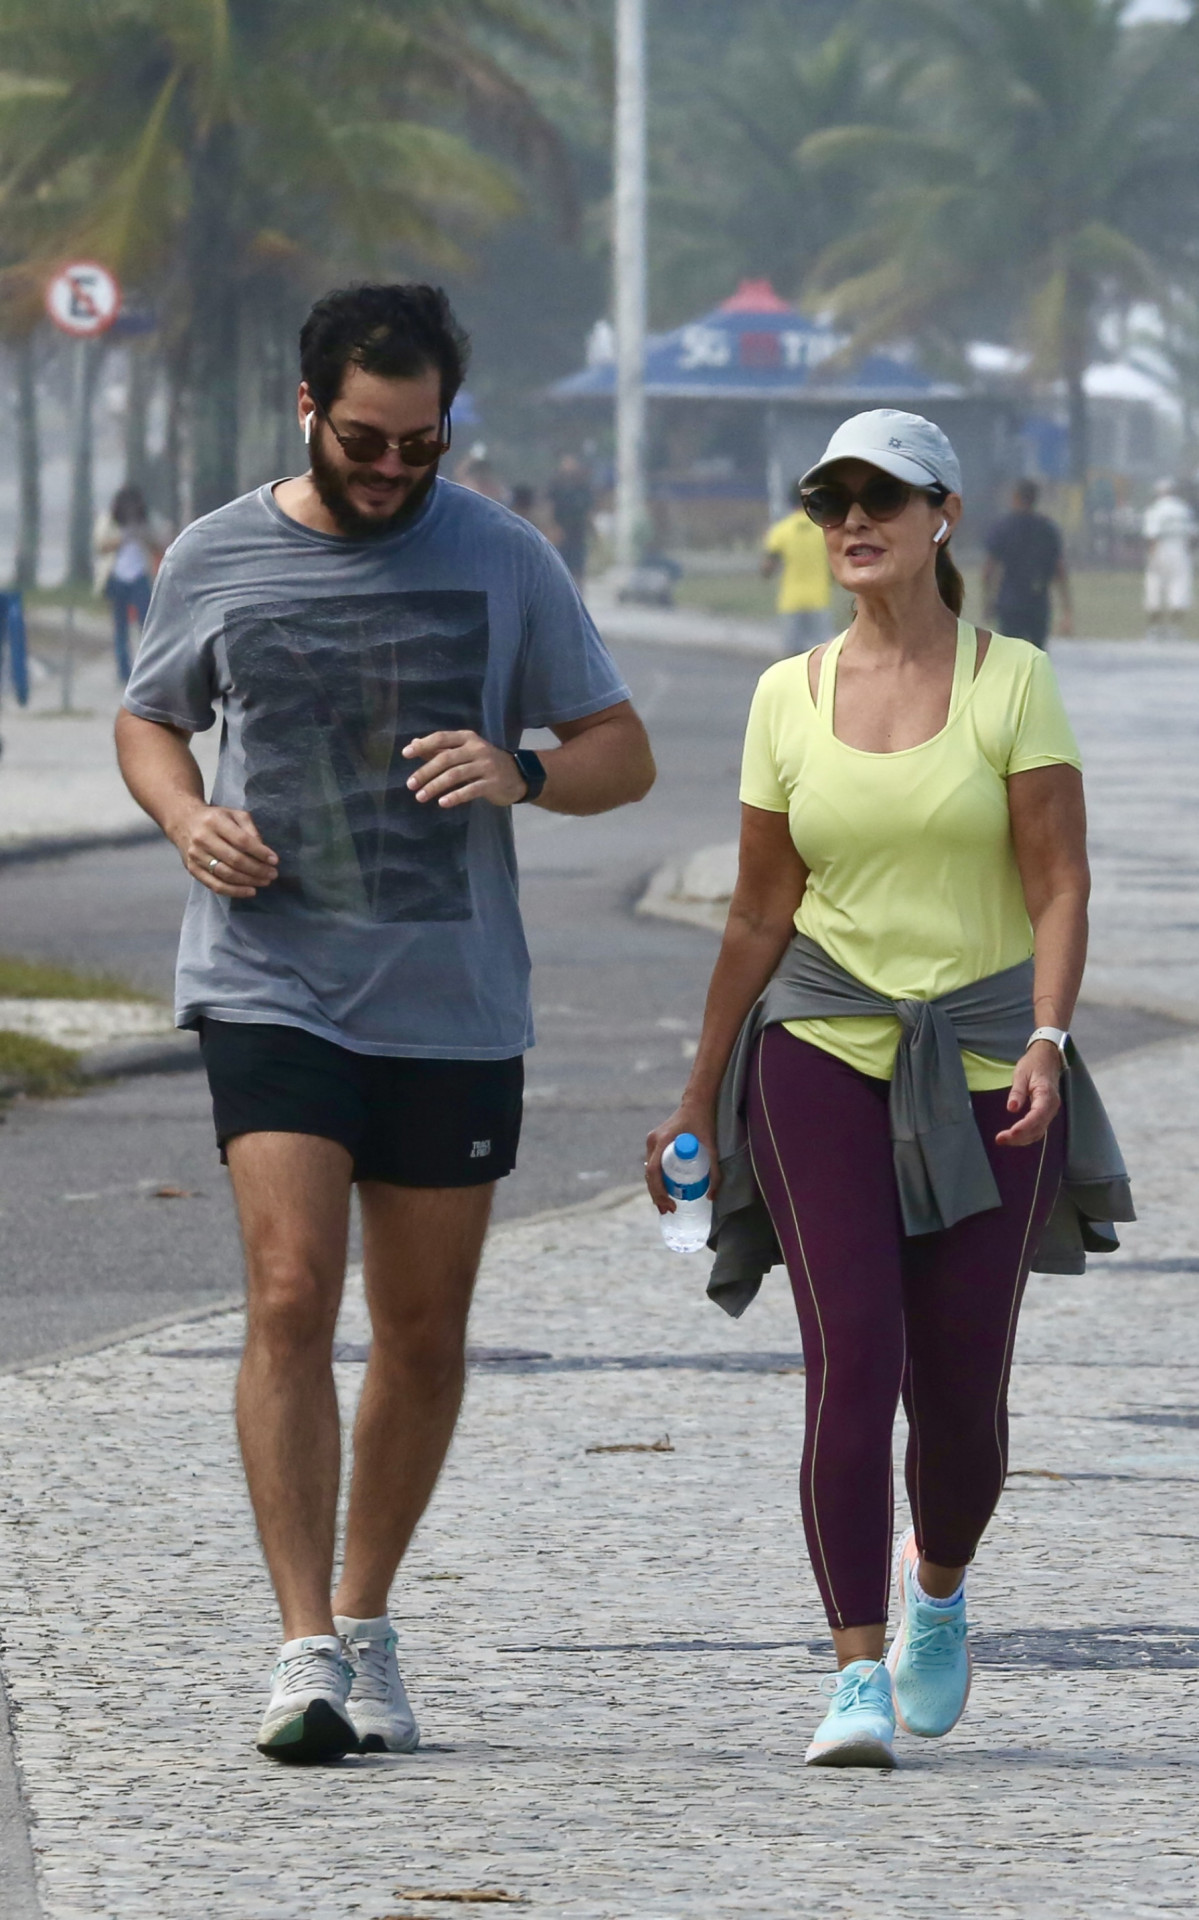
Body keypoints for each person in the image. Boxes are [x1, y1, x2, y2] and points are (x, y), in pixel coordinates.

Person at [116, 282, 655, 1765]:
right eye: (367, 439)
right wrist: (183, 815)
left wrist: (524, 773)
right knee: (290, 1294)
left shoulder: (504, 555)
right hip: (269, 978)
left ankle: (363, 1620)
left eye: (420, 444)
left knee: (420, 1337)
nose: (393, 470)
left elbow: (622, 752)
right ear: (309, 409)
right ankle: (300, 1652)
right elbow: (148, 715)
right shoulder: (219, 553)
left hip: (452, 1000)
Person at [646, 408, 1130, 1769]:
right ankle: (851, 1666)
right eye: (829, 499)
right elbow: (753, 915)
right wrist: (696, 1098)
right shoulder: (779, 697)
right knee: (849, 1359)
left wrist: (1044, 1035)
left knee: (960, 1394)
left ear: (941, 518)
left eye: (881, 495)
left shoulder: (1009, 681)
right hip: (818, 1047)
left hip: (986, 1055)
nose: (851, 518)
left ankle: (934, 1589)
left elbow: (1057, 882)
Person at [982, 479, 1072, 649]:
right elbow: (1059, 570)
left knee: (1010, 658)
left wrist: (988, 601)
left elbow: (988, 570)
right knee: (1037, 657)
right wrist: (1067, 610)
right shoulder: (1047, 529)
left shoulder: (1003, 527)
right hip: (1038, 604)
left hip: (1009, 604)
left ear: (1015, 497)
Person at [93, 483, 166, 681]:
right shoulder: (108, 520)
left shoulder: (148, 521)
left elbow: (163, 542)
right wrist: (123, 538)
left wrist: (144, 535)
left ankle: (148, 668)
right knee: (120, 628)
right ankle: (123, 672)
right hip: (116, 577)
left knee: (147, 625)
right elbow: (100, 545)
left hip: (141, 577)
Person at [761, 479, 833, 653]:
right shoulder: (824, 529)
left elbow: (767, 569)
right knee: (824, 655)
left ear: (789, 501)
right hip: (819, 599)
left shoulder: (781, 531)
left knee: (791, 658)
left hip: (791, 601)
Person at [1142, 478, 1196, 638]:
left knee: (1154, 586)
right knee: (1179, 588)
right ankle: (1175, 629)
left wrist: (1152, 557)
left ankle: (1154, 630)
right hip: (1180, 550)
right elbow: (1193, 535)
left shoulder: (1155, 509)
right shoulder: (1184, 509)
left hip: (1160, 549)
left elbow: (1152, 535)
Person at [547, 454, 594, 584]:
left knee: (578, 566)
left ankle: (578, 595)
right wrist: (552, 527)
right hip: (560, 531)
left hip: (578, 532)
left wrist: (592, 530)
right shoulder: (556, 485)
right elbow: (549, 506)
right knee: (560, 564)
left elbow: (588, 510)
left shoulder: (583, 486)